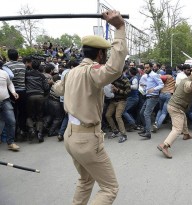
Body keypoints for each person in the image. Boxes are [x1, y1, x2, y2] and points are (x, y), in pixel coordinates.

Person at [53, 10, 127, 205]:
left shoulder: (71, 73)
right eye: (105, 54)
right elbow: (114, 69)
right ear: (100, 54)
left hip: (71, 136)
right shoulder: (91, 71)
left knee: (85, 181)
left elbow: (57, 89)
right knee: (110, 188)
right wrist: (120, 29)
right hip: (86, 140)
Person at [157, 70, 192, 159]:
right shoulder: (188, 83)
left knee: (183, 117)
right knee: (177, 129)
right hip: (176, 107)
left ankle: (186, 134)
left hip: (174, 105)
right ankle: (164, 145)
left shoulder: (184, 80)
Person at [0, 62, 20, 151]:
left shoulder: (4, 73)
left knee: (11, 121)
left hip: (5, 100)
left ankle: (10, 143)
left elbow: (10, 84)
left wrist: (13, 92)